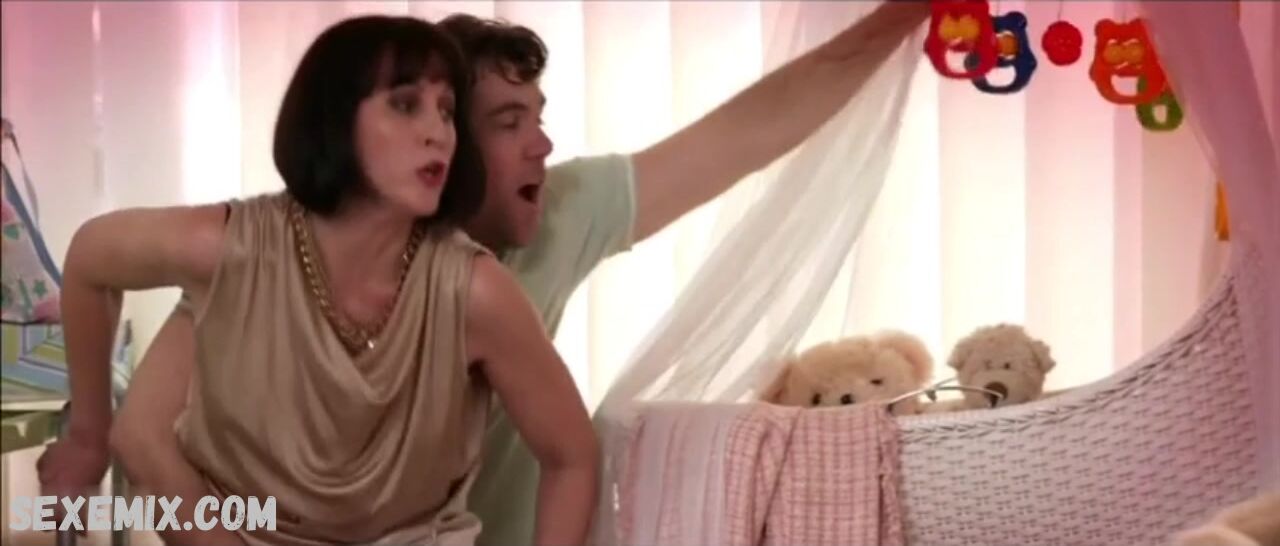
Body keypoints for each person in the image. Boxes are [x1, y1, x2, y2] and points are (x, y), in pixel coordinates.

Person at [40, 2, 932, 545]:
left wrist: (903, 16)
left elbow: (750, 132)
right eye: (508, 121)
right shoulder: (266, 250)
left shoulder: (548, 223)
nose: (542, 142)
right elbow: (142, 433)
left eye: (537, 115)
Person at [36, 15, 597, 546]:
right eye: (406, 104)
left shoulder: (473, 291)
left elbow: (573, 457)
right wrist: (87, 437)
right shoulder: (235, 247)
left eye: (447, 111)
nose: (438, 133)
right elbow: (91, 258)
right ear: (334, 119)